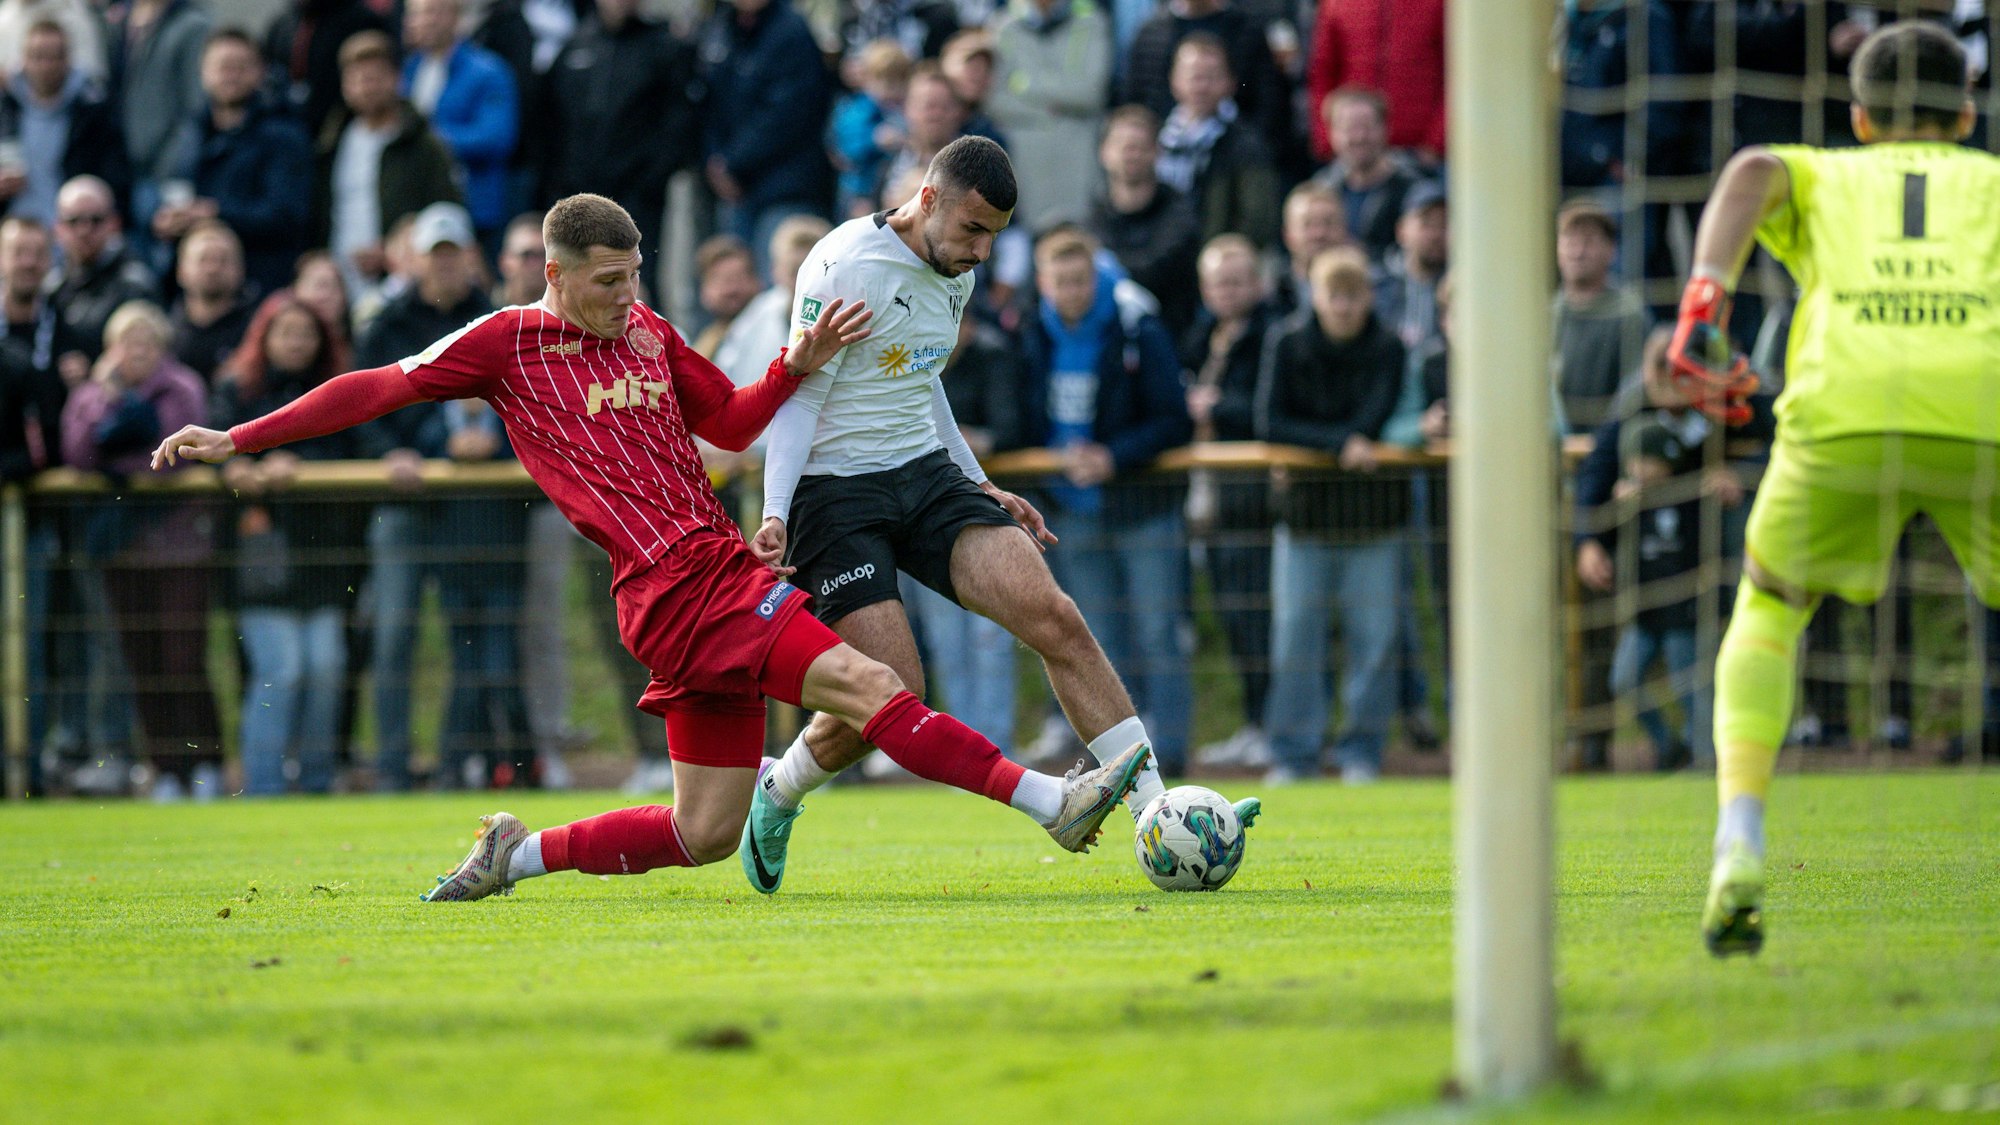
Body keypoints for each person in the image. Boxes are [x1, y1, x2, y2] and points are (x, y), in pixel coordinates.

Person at [153, 193, 1146, 899]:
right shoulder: (506, 343)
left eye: (634, 276)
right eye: (607, 281)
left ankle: (514, 853)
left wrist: (795, 363)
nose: (627, 295)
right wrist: (241, 436)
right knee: (876, 687)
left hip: (705, 575)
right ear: (554, 274)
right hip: (678, 587)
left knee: (702, 832)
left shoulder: (647, 332)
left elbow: (734, 421)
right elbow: (374, 387)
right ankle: (1050, 801)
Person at [747, 137, 1256, 895]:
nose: (983, 252)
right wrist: (775, 512)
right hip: (833, 493)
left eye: (994, 235)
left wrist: (979, 482)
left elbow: (922, 376)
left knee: (1054, 616)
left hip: (923, 472)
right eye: (973, 230)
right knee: (889, 693)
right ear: (927, 200)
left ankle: (1158, 812)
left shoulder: (956, 266)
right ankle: (779, 787)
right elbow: (803, 392)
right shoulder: (844, 264)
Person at [1687, 20, 2000, 953]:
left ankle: (1739, 840)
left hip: (1845, 407)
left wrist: (1705, 300)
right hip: (1985, 405)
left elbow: (1752, 169)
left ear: (1858, 118)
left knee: (1770, 605)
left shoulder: (1827, 172)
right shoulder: (1990, 180)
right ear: (1968, 113)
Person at [1014, 225, 1194, 773]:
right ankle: (1115, 759)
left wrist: (1113, 456)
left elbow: (1174, 419)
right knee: (1094, 637)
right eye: (1061, 281)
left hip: (1141, 507)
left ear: (1096, 279)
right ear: (1043, 283)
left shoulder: (1137, 329)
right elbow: (1020, 415)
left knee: (1159, 631)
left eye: (1081, 280)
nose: (1072, 290)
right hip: (1070, 511)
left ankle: (1174, 755)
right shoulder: (1028, 335)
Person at [1256, 245, 1406, 785]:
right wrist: (1341, 443)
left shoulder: (1389, 347)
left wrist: (1341, 439)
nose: (1343, 306)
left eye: (1353, 295)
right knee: (1295, 640)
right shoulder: (1286, 342)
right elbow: (1270, 422)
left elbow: (1379, 411)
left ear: (1369, 297)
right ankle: (1293, 755)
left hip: (1375, 522)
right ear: (1314, 296)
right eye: (1333, 295)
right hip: (1304, 522)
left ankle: (1362, 751)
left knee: (1376, 641)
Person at [350, 201, 487, 789]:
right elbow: (361, 403)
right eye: (436, 255)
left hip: (467, 505)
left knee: (466, 637)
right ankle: (392, 767)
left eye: (453, 254)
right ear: (416, 260)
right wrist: (391, 452)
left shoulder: (493, 317)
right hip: (404, 501)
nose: (445, 265)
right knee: (393, 636)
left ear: (468, 258)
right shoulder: (385, 323)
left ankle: (454, 765)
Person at [210, 294, 363, 795]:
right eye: (286, 332)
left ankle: (316, 784)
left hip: (323, 556)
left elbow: (356, 446)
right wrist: (236, 469)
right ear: (264, 337)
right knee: (282, 668)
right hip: (260, 559)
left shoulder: (340, 390)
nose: (296, 342)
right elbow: (212, 448)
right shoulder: (235, 389)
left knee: (326, 666)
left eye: (306, 333)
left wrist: (301, 465)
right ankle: (264, 787)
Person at [67, 300, 221, 799]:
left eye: (145, 341)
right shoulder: (93, 394)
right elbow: (78, 452)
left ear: (161, 347)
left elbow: (174, 456)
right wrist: (111, 400)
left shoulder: (183, 388)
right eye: (126, 342)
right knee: (143, 664)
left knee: (183, 660)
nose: (136, 351)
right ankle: (165, 768)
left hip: (179, 546)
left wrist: (119, 458)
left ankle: (208, 762)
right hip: (124, 549)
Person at [1182, 233, 1276, 771]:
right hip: (1209, 501)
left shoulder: (1271, 335)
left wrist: (1218, 406)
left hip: (1253, 503)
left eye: (1239, 281)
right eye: (1220, 282)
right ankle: (1252, 723)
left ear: (1257, 284)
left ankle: (1271, 726)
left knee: (1258, 617)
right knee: (1232, 617)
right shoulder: (1201, 338)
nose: (1229, 290)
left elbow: (1269, 407)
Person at [154, 30, 314, 295]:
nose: (231, 75)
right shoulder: (188, 134)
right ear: (203, 73)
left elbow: (286, 215)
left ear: (261, 72)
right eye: (223, 66)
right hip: (195, 289)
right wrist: (168, 221)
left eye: (241, 67)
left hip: (261, 283)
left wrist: (215, 213)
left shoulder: (284, 136)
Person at [537, 0, 697, 262]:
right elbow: (551, 120)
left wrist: (653, 177)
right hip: (577, 191)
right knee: (579, 270)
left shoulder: (662, 47)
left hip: (637, 194)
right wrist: (559, 179)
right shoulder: (575, 46)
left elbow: (678, 119)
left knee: (633, 271)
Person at [315, 29, 463, 305]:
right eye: (356, 78)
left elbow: (448, 212)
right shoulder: (331, 142)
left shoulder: (423, 144)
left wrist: (392, 250)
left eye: (374, 77)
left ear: (397, 79)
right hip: (338, 282)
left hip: (402, 285)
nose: (366, 87)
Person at [699, 0, 832, 263]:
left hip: (786, 185)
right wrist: (715, 160)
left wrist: (731, 162)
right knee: (735, 279)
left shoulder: (791, 31)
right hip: (734, 187)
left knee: (782, 275)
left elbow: (789, 113)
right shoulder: (719, 28)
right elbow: (706, 104)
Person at [984, 0, 1111, 232]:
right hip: (1025, 165)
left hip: (1078, 160)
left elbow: (1091, 93)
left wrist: (1028, 86)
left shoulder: (1091, 23)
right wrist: (1054, 109)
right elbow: (996, 101)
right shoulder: (1002, 26)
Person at [401, 0, 518, 249]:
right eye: (415, 14)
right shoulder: (409, 70)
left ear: (455, 17)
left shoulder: (488, 71)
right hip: (419, 205)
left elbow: (496, 138)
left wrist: (430, 141)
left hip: (475, 208)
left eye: (432, 12)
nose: (423, 21)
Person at [0, 20, 129, 227]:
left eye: (54, 57)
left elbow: (114, 177)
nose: (46, 66)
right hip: (14, 230)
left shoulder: (92, 110)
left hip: (74, 231)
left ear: (68, 59)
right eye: (38, 56)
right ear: (24, 59)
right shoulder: (6, 108)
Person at [1157, 33, 1279, 249]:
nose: (1202, 87)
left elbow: (1258, 219)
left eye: (1211, 77)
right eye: (1194, 77)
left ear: (1230, 82)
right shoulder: (1156, 136)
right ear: (1174, 80)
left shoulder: (1246, 144)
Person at [1087, 104, 1201, 335]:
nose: (1131, 154)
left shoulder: (1181, 215)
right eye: (1122, 145)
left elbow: (1158, 270)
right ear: (1103, 152)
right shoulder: (1094, 217)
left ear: (1158, 152)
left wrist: (1105, 273)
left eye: (1140, 146)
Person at [1554, 198, 1651, 434]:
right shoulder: (1546, 313)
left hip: (1610, 440)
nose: (1578, 252)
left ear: (1611, 250)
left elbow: (1636, 387)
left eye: (1588, 242)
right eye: (1570, 241)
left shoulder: (1628, 312)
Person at [51, 175, 156, 369]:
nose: (84, 230)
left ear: (114, 223)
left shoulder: (134, 285)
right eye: (74, 221)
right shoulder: (50, 285)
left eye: (96, 220)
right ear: (58, 228)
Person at [1311, 87, 1419, 265]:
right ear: (1332, 134)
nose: (1359, 137)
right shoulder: (1321, 190)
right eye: (1349, 129)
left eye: (1367, 127)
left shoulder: (1413, 190)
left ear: (1385, 129)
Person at [828, 39, 911, 220]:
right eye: (883, 80)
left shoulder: (903, 110)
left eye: (897, 80)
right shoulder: (858, 110)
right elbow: (847, 148)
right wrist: (874, 140)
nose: (890, 88)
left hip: (891, 183)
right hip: (860, 188)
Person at [166, 219, 256, 383]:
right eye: (203, 259)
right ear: (181, 270)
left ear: (241, 269)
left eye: (223, 260)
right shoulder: (164, 333)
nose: (213, 268)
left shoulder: (258, 330)